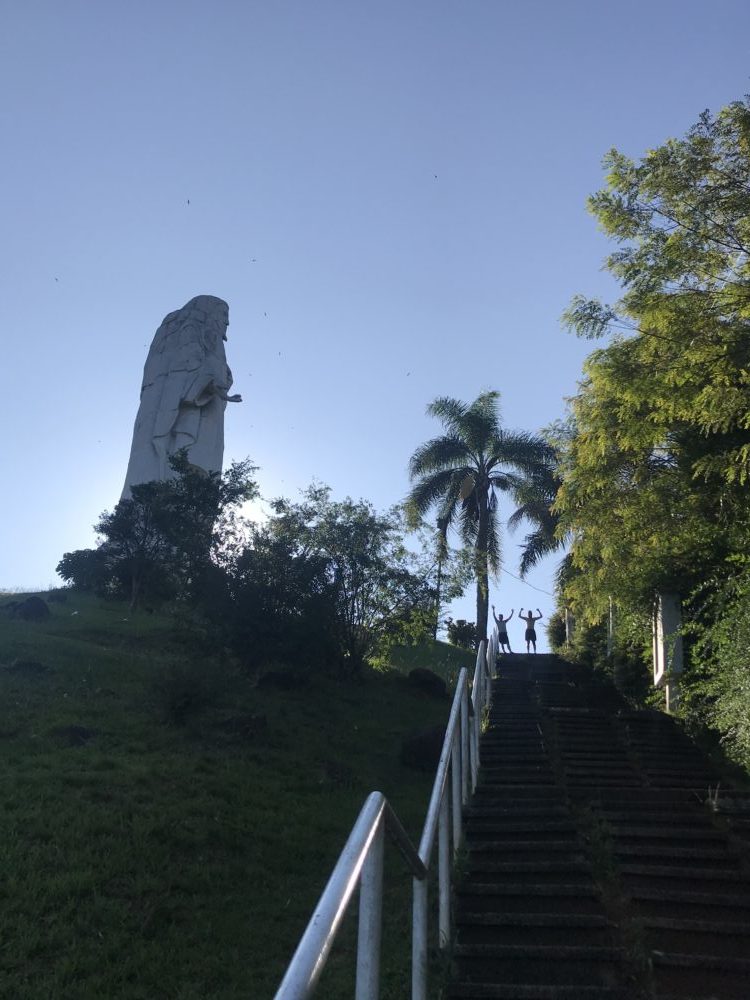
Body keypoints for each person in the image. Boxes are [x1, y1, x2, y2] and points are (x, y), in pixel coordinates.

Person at [122, 295, 242, 497]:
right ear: (209, 312)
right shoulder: (191, 330)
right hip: (185, 418)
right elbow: (182, 373)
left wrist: (221, 381)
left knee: (197, 483)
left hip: (204, 412)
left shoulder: (204, 337)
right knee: (181, 471)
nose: (227, 322)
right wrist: (211, 383)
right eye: (223, 314)